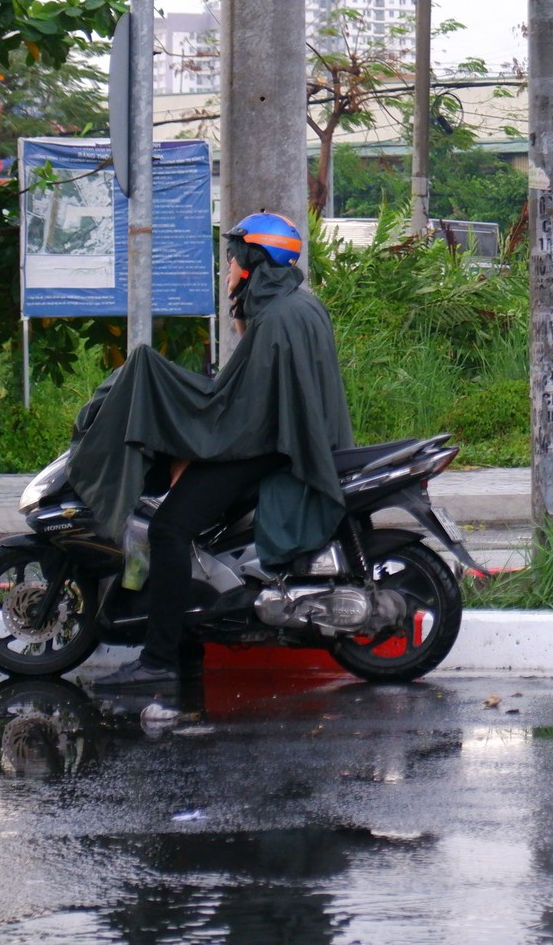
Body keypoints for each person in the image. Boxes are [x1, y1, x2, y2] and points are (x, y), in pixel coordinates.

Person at [76, 213, 354, 688]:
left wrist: (199, 441)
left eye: (231, 259)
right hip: (283, 441)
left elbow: (243, 416)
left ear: (251, 261)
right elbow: (248, 397)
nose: (226, 269)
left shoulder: (277, 320)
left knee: (168, 530)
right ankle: (185, 637)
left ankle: (159, 660)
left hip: (269, 448)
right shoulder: (294, 307)